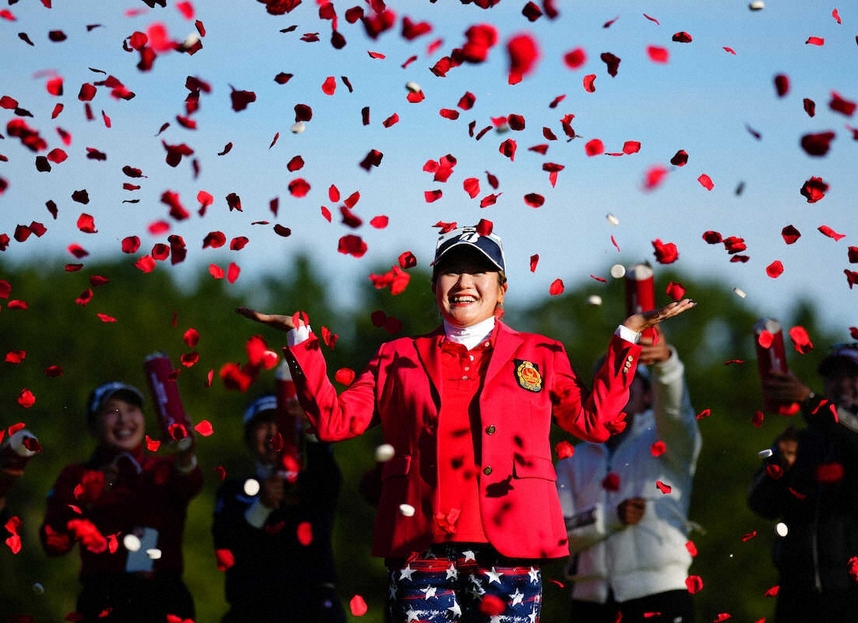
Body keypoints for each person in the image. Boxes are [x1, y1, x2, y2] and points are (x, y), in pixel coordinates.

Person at [238, 225, 695, 623]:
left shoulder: (542, 353)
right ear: (435, 284)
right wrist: (302, 343)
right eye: (451, 271)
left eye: (479, 271)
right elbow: (335, 423)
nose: (464, 282)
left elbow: (594, 423)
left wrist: (627, 338)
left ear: (502, 288)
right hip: (421, 548)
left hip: (511, 547)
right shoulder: (395, 356)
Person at [748, 341, 858, 623]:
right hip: (798, 596)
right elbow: (759, 503)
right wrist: (778, 465)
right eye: (834, 376)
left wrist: (810, 401)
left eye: (854, 375)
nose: (843, 383)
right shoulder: (802, 441)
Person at [557, 327, 701, 623]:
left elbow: (676, 411)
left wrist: (666, 364)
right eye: (605, 382)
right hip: (589, 601)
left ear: (648, 393)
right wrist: (611, 518)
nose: (615, 389)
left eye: (626, 380)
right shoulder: (574, 458)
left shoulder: (669, 439)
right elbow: (556, 532)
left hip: (662, 593)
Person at [40, 381, 202, 623]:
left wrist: (186, 456)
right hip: (104, 599)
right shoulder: (77, 476)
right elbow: (54, 544)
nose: (124, 419)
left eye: (132, 409)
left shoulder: (163, 469)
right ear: (92, 427)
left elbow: (191, 483)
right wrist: (87, 496)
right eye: (111, 411)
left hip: (164, 598)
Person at [212, 393, 346, 623]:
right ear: (248, 438)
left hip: (312, 610)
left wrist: (311, 423)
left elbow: (328, 476)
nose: (273, 432)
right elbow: (228, 542)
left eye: (281, 423)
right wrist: (261, 506)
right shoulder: (233, 491)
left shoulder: (313, 483)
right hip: (253, 610)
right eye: (263, 424)